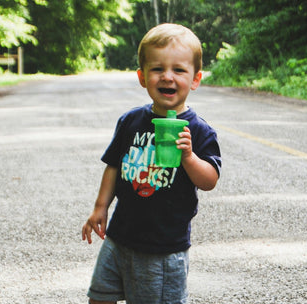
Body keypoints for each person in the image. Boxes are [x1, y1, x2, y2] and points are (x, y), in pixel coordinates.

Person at [82, 23, 222, 304]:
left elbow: (209, 180)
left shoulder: (199, 131)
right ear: (142, 77)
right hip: (119, 237)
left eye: (179, 70)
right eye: (157, 69)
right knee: (99, 297)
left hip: (162, 247)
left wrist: (189, 158)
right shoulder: (130, 121)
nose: (167, 77)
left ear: (195, 79)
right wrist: (100, 208)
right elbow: (113, 165)